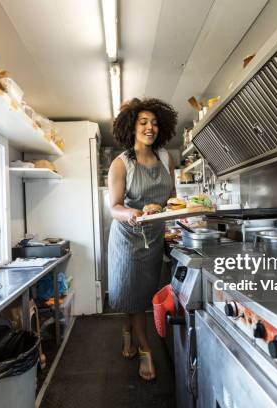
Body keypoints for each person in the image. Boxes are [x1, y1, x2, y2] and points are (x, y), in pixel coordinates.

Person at [107, 97, 177, 381]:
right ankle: (146, 350)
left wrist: (180, 207)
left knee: (140, 295)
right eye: (143, 122)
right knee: (131, 294)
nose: (150, 128)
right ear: (132, 126)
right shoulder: (121, 164)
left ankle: (128, 335)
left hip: (155, 236)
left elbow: (170, 198)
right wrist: (132, 213)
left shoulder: (165, 158)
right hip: (128, 238)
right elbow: (114, 207)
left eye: (155, 123)